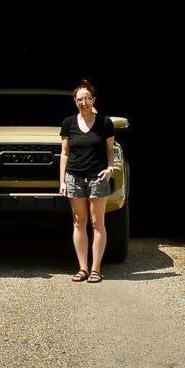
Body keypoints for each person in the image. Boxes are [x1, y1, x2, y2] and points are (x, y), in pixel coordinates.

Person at [58, 79, 117, 283]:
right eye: (80, 99)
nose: (84, 102)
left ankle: (96, 269)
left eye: (87, 98)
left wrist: (110, 168)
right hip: (74, 176)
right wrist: (62, 181)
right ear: (75, 101)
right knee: (79, 222)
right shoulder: (68, 123)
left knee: (96, 222)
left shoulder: (104, 122)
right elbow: (64, 153)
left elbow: (110, 150)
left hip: (98, 176)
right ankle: (82, 268)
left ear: (94, 100)